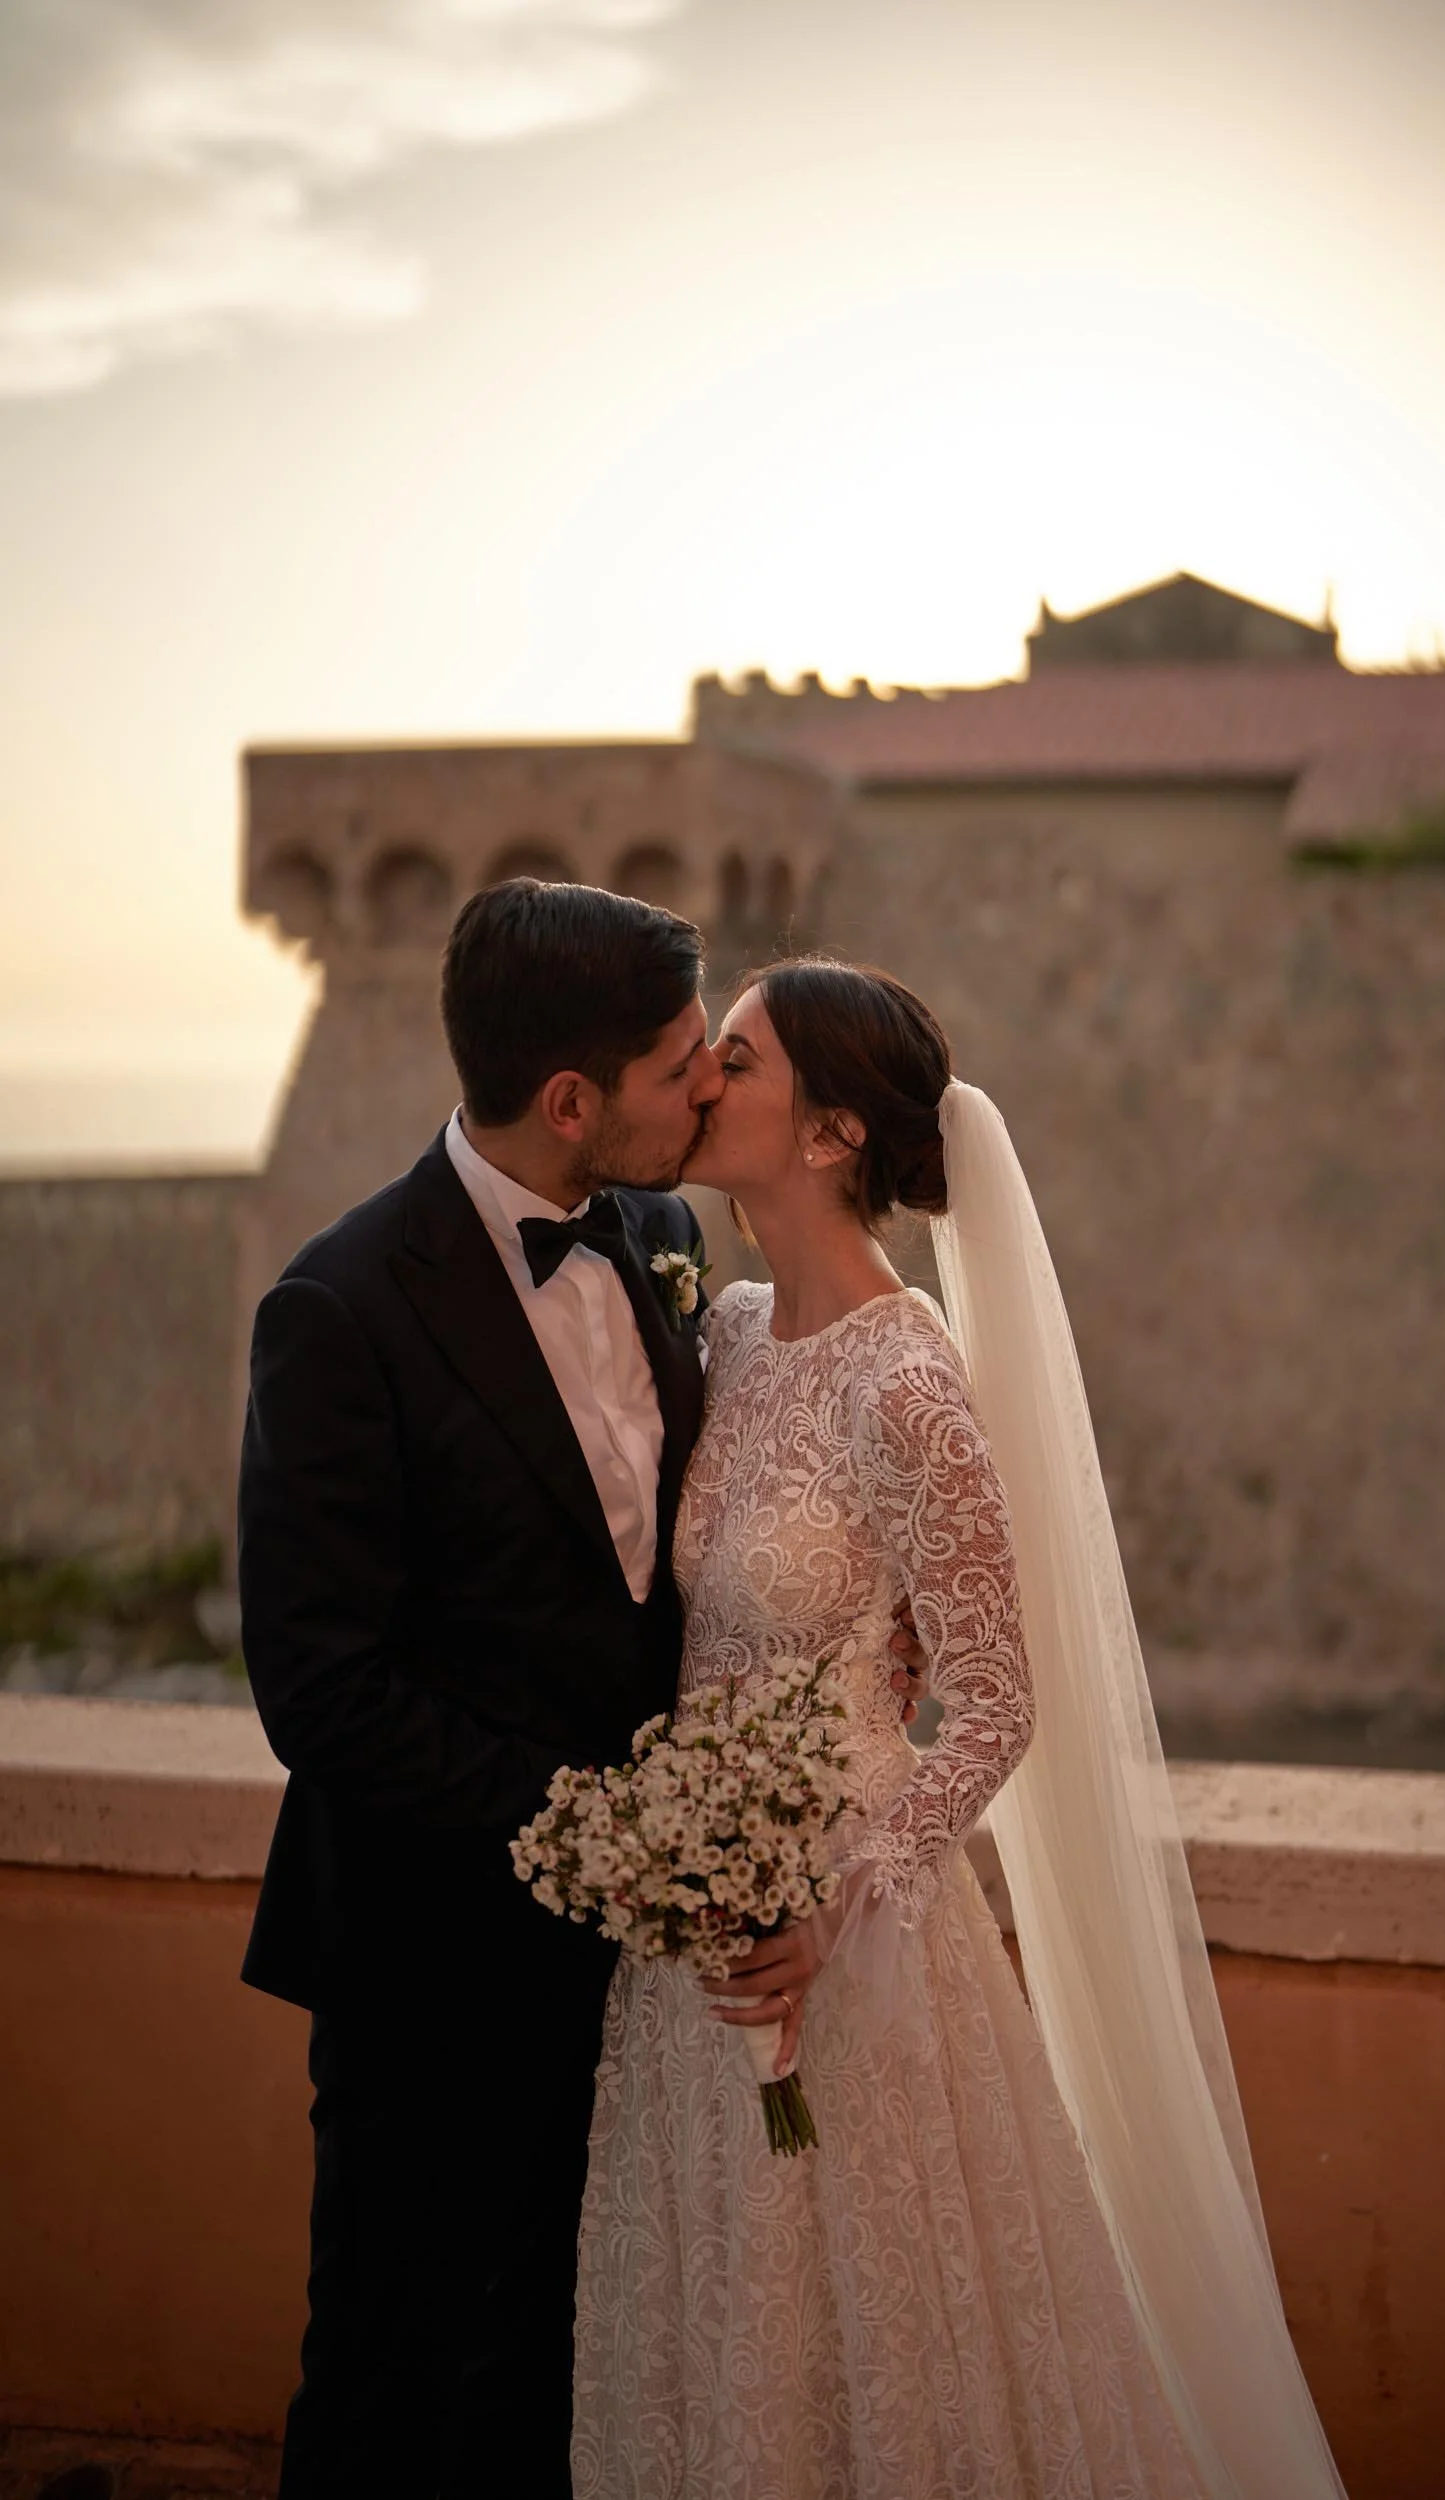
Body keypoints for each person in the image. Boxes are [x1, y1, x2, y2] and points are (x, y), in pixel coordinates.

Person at [572, 959, 1349, 2500]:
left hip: (848, 1945)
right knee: (717, 2321)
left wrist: (841, 1887)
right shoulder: (720, 1331)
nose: (702, 1077)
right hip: (686, 1943)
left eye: (734, 1055)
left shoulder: (911, 1383)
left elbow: (992, 1697)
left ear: (829, 1135)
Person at [237, 881, 922, 2499]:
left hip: (648, 1979)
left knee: (587, 2369)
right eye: (685, 1062)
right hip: (430, 1955)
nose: (706, 1085)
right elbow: (320, 1689)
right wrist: (595, 1832)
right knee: (398, 2375)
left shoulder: (665, 1234)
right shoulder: (337, 1312)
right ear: (569, 1101)